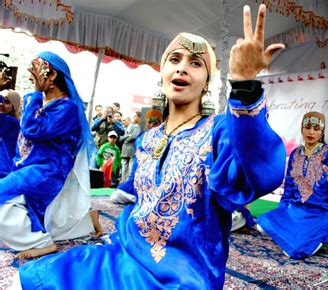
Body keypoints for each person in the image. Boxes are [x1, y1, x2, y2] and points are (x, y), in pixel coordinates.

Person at [17, 4, 286, 289]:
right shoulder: (149, 139)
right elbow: (142, 205)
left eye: (196, 63)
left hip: (182, 275)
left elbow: (260, 172)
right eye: (175, 59)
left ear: (207, 82)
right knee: (33, 278)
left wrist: (244, 85)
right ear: (163, 72)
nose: (183, 66)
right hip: (127, 253)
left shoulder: (218, 131)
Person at [0, 51, 102, 259]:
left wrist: (36, 94)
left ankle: (41, 243)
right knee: (17, 205)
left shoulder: (68, 108)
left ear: (52, 75)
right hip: (28, 169)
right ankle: (86, 218)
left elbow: (33, 130)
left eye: (35, 70)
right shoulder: (43, 103)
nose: (31, 76)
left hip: (46, 171)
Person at [256, 112, 328, 259]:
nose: (311, 132)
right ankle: (324, 235)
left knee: (294, 252)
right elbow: (289, 187)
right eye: (307, 127)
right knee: (262, 224)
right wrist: (282, 213)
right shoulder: (295, 154)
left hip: (321, 211)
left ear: (322, 131)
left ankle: (323, 234)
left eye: (316, 128)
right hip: (296, 210)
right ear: (301, 129)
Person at [0, 90, 21, 178]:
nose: (2, 104)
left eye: (7, 102)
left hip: (4, 172)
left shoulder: (12, 122)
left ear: (14, 106)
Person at [120, 115, 141, 182]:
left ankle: (129, 182)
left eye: (124, 120)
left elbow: (134, 135)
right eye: (122, 120)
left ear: (129, 120)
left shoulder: (136, 126)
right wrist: (127, 136)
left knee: (130, 168)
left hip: (132, 149)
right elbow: (120, 138)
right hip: (124, 149)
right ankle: (123, 182)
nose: (123, 122)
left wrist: (126, 140)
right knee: (124, 167)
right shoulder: (122, 128)